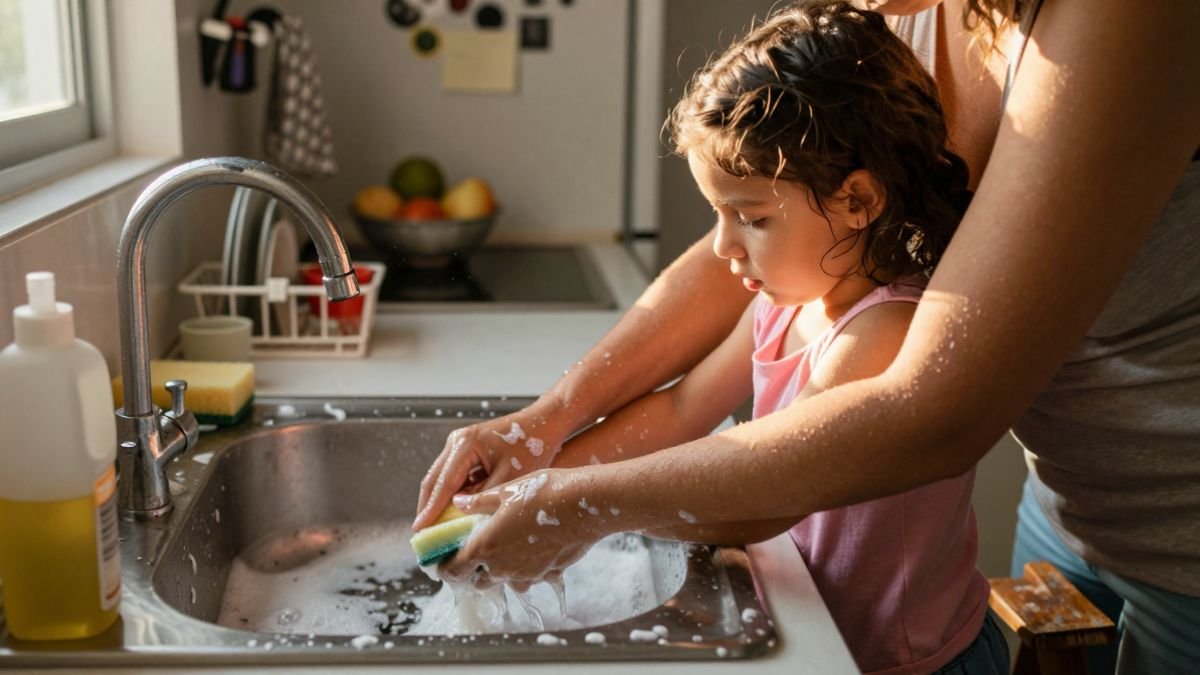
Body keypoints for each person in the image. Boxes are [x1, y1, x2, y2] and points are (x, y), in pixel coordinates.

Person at [416, 0, 1200, 672]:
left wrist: (573, 503)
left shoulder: (1130, 20)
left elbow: (928, 413)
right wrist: (541, 437)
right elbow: (719, 325)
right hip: (1065, 500)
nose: (729, 241)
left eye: (747, 222)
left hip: (1180, 543)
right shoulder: (896, 28)